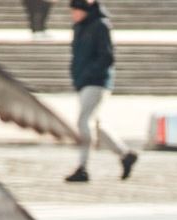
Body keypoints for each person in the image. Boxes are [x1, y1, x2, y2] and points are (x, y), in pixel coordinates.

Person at [65, 0, 137, 183]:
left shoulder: (100, 25)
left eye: (76, 10)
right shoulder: (79, 27)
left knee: (83, 121)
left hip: (96, 82)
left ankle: (83, 167)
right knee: (96, 124)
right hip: (83, 81)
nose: (73, 14)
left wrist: (89, 73)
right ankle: (125, 154)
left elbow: (107, 56)